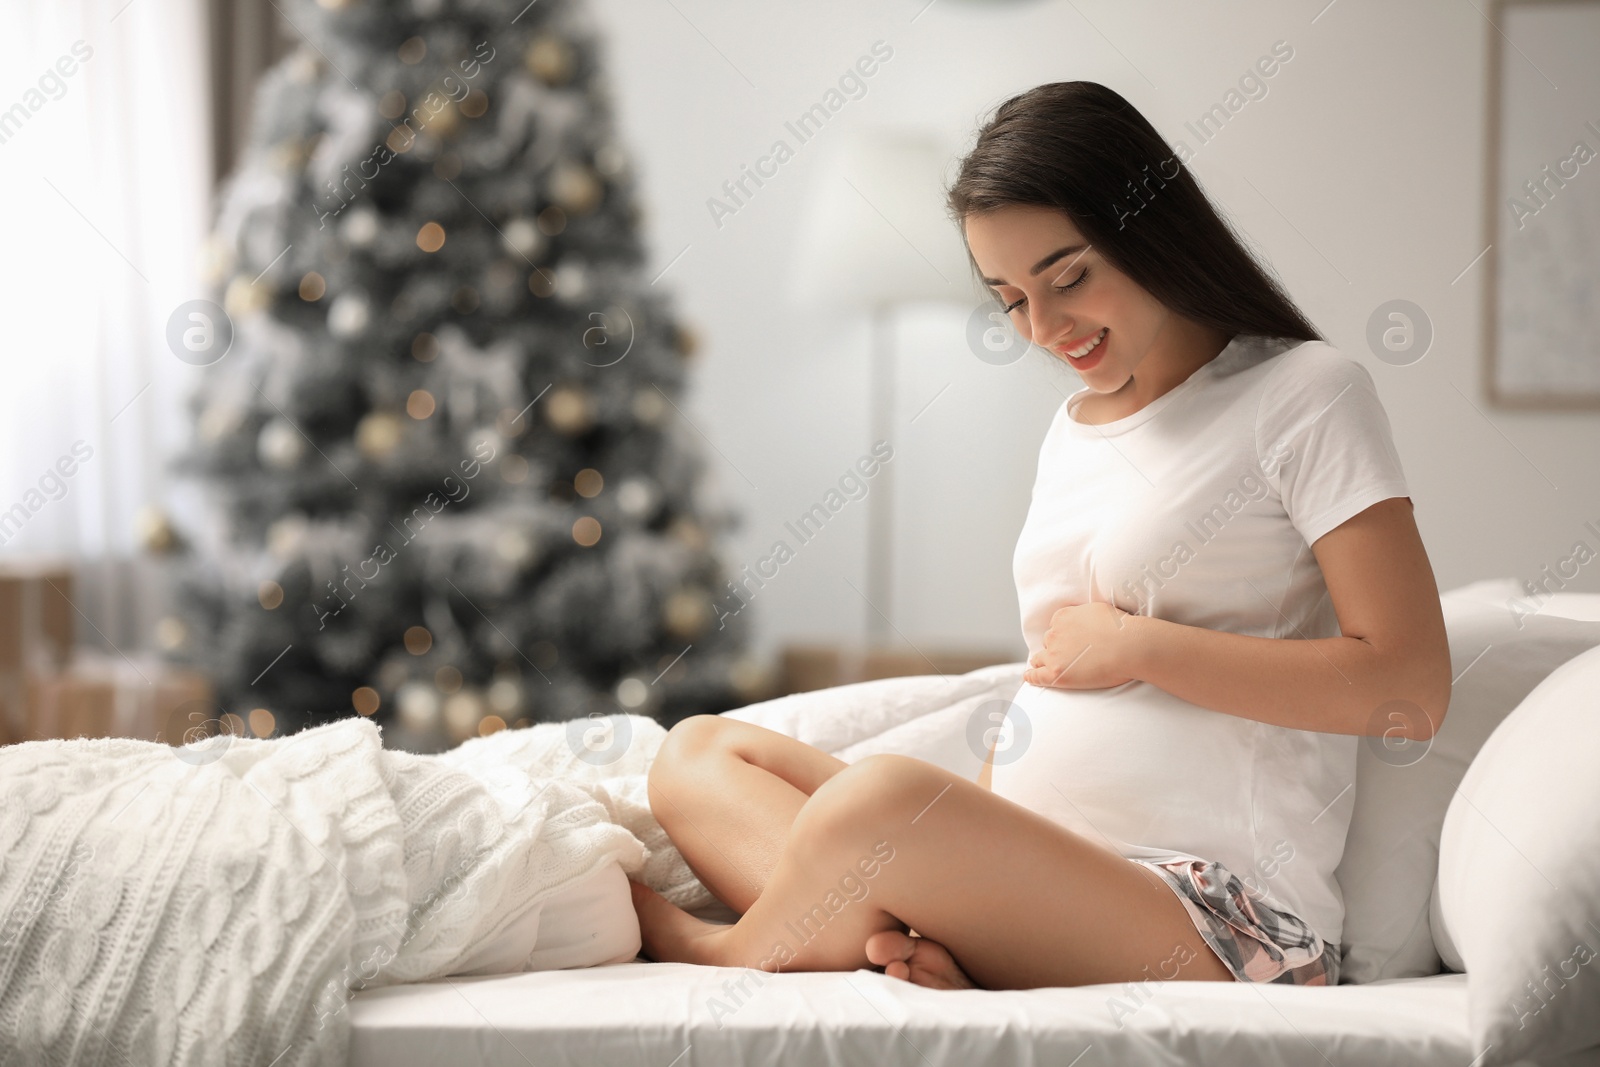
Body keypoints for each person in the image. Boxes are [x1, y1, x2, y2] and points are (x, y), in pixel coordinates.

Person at [627, 81, 1451, 992]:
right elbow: (1046, 686)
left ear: (1152, 229)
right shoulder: (1073, 428)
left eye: (1068, 277)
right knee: (699, 753)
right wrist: (969, 846)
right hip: (1043, 870)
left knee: (877, 803)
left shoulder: (1307, 394)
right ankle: (919, 926)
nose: (1046, 328)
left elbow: (1408, 690)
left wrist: (1141, 646)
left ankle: (734, 950)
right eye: (1011, 299)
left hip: (1222, 917)